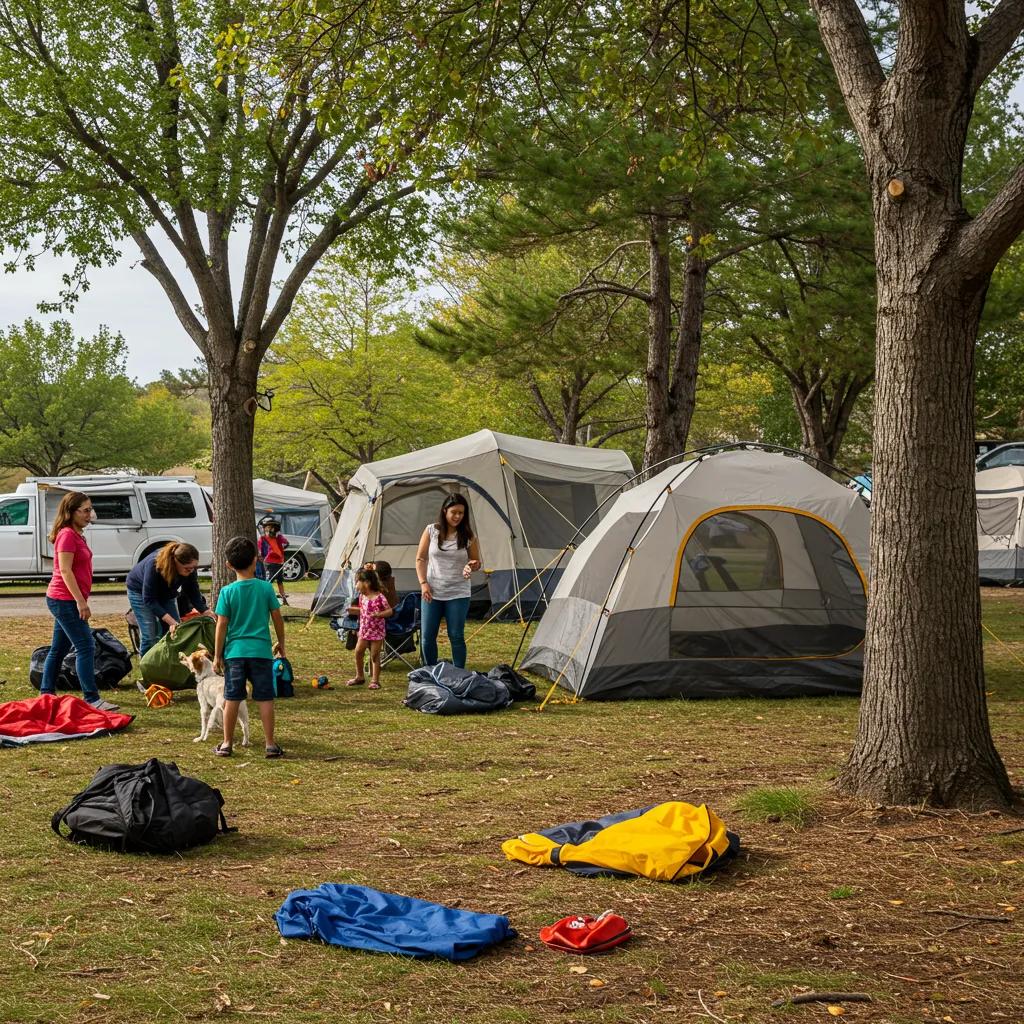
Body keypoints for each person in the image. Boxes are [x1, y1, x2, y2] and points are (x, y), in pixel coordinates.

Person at [39, 491, 120, 711]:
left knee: (59, 648)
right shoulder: (66, 535)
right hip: (63, 599)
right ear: (71, 512)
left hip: (66, 600)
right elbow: (65, 570)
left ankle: (46, 693)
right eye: (85, 510)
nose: (89, 514)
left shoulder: (77, 535)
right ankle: (92, 698)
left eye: (90, 509)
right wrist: (80, 602)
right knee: (86, 646)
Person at [212, 536, 286, 758]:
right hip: (261, 652)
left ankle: (226, 743)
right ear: (256, 560)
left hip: (235, 653)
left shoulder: (227, 592)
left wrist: (217, 655)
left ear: (228, 565)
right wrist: (281, 644)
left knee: (232, 697)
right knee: (264, 698)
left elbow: (221, 626)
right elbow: (277, 619)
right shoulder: (265, 588)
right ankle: (270, 744)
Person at [415, 493, 481, 669]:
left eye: (461, 513)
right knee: (428, 636)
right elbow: (421, 559)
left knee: (456, 635)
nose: (458, 516)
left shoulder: (468, 536)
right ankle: (430, 671)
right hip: (432, 591)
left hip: (458, 592)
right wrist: (423, 584)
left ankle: (459, 674)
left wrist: (472, 565)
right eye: (454, 512)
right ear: (445, 511)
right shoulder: (431, 531)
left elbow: (475, 562)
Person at [126, 541, 214, 656]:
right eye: (187, 569)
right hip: (139, 592)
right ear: (175, 562)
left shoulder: (189, 568)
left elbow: (193, 591)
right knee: (150, 633)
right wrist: (171, 621)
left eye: (194, 567)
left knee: (175, 632)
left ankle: (168, 663)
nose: (191, 571)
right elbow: (149, 599)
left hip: (166, 593)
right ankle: (147, 668)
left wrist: (205, 611)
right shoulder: (154, 565)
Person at [345, 568, 393, 689]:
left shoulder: (380, 597)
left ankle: (375, 681)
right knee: (358, 651)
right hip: (364, 630)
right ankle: (359, 676)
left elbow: (389, 611)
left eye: (357, 582)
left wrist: (379, 614)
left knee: (375, 655)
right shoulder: (362, 597)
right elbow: (363, 611)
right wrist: (353, 610)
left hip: (377, 631)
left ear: (367, 583)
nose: (356, 585)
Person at [258, 520, 290, 605]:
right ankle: (265, 599)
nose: (271, 530)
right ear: (265, 529)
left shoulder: (279, 537)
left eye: (273, 528)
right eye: (268, 528)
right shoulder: (263, 538)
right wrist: (263, 558)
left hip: (279, 562)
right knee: (269, 581)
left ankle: (284, 599)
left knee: (279, 581)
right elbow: (260, 550)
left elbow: (286, 543)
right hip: (269, 563)